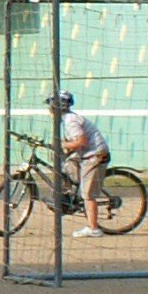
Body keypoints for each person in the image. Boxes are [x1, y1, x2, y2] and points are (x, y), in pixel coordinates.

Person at [49, 92, 110, 237]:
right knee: (67, 166)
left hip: (95, 155)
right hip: (85, 153)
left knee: (87, 193)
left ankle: (94, 229)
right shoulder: (66, 119)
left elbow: (82, 142)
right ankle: (72, 196)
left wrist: (62, 144)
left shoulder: (70, 121)